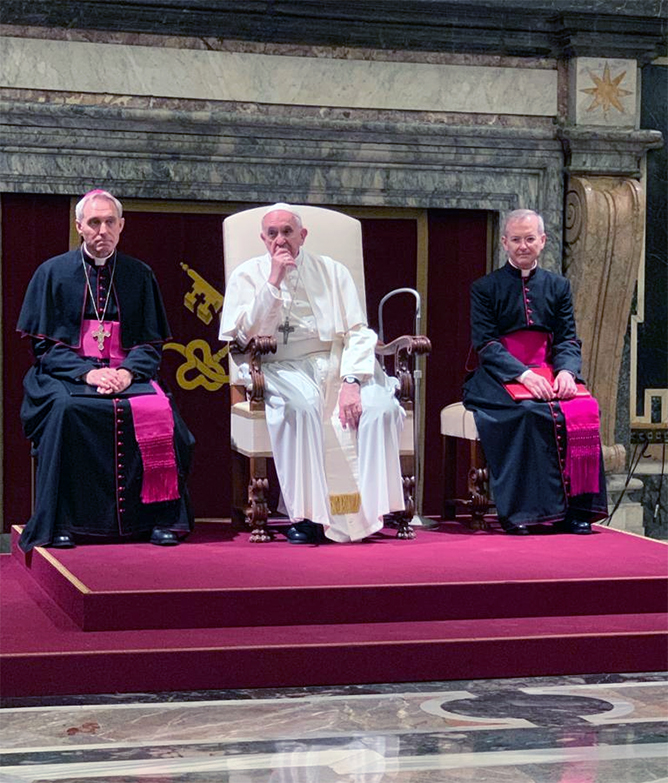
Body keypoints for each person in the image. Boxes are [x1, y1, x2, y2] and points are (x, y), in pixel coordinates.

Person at [17, 190, 194, 551]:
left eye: (110, 222)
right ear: (79, 226)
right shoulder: (51, 273)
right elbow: (44, 348)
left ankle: (160, 519)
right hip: (65, 375)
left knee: (163, 415)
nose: (102, 230)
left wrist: (127, 373)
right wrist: (88, 373)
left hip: (127, 373)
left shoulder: (138, 274)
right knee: (68, 411)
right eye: (94, 223)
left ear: (121, 226)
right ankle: (62, 522)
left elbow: (149, 343)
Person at [219, 203, 406, 544]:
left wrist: (351, 381)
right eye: (272, 234)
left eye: (288, 232)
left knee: (378, 406)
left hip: (337, 360)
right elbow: (243, 336)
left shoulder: (333, 271)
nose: (280, 240)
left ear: (302, 236)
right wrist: (273, 281)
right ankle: (307, 517)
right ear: (263, 238)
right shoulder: (246, 276)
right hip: (278, 365)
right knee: (301, 408)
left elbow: (358, 331)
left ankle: (371, 512)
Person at [463, 209, 607, 535]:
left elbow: (568, 337)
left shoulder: (558, 286)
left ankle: (576, 511)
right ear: (504, 243)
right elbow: (486, 344)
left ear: (542, 241)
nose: (523, 246)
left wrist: (568, 373)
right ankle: (525, 514)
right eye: (516, 239)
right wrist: (523, 375)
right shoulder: (485, 287)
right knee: (528, 412)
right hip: (499, 376)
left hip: (550, 372)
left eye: (530, 239)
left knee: (584, 408)